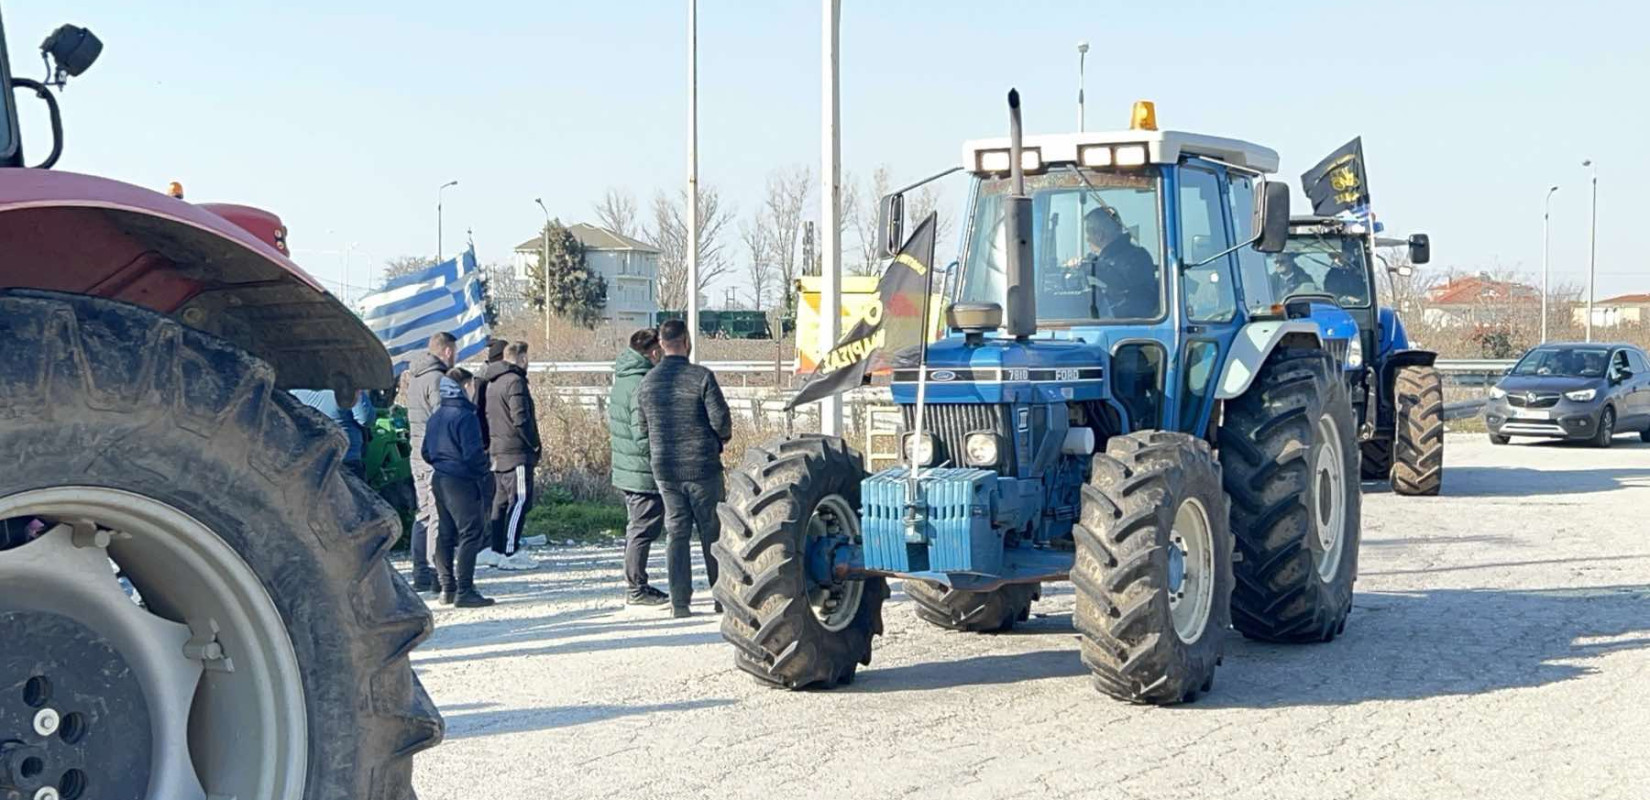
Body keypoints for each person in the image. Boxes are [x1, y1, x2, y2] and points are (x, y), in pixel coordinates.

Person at [635, 320, 733, 618]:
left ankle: (680, 603)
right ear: (686, 341)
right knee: (713, 532)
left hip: (666, 470)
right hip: (703, 467)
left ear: (661, 345)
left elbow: (641, 431)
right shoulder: (701, 377)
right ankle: (721, 598)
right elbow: (721, 421)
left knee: (676, 533)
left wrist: (656, 454)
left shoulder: (647, 383)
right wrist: (719, 442)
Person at [422, 367, 495, 608]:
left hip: (440, 477)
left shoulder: (436, 416)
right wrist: (485, 468)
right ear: (465, 386)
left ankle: (447, 587)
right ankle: (465, 589)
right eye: (472, 385)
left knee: (445, 533)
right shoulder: (466, 417)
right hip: (461, 480)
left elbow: (425, 452)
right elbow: (473, 454)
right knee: (470, 532)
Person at [609, 328, 669, 606]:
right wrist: (659, 458)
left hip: (627, 466)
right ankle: (636, 588)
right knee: (642, 529)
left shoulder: (624, 376)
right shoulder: (642, 383)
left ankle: (636, 583)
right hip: (641, 469)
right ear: (654, 351)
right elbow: (641, 432)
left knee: (637, 527)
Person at [481, 341, 542, 571]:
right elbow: (521, 419)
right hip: (516, 452)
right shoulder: (515, 381)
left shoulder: (492, 383)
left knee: (501, 502)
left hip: (498, 450)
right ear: (523, 358)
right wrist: (534, 444)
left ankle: (496, 549)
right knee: (520, 500)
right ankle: (510, 550)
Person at [404, 332, 457, 594]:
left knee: (423, 512)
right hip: (433, 454)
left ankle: (419, 571)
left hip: (416, 452)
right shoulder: (437, 380)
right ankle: (436, 570)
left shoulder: (414, 379)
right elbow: (443, 420)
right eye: (454, 352)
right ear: (447, 351)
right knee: (437, 513)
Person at [1060, 207, 1160, 319]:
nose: (1087, 239)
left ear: (1099, 235)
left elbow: (1117, 280)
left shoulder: (1136, 259)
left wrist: (1086, 267)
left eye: (1088, 233)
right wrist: (1074, 266)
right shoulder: (1100, 260)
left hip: (1126, 326)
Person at [290, 388, 375, 478]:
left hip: (310, 460)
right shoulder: (348, 388)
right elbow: (366, 419)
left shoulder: (295, 388)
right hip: (346, 458)